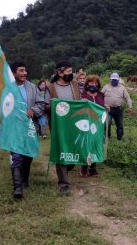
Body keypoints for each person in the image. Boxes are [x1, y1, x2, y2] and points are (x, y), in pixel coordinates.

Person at [9, 62, 46, 200]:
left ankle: (25, 179)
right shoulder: (8, 88)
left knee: (28, 155)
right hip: (14, 128)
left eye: (25, 70)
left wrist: (33, 110)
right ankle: (18, 188)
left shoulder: (32, 87)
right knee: (17, 156)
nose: (24, 73)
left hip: (30, 127)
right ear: (14, 73)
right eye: (21, 70)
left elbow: (41, 103)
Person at [45, 61, 81, 195]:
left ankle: (68, 167)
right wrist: (56, 105)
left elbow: (79, 101)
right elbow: (45, 106)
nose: (70, 74)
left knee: (72, 149)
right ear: (60, 73)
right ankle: (63, 183)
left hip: (74, 123)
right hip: (58, 124)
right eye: (68, 71)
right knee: (61, 150)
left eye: (71, 71)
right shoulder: (50, 87)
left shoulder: (75, 85)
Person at [80, 74, 105, 177]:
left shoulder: (101, 95)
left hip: (98, 124)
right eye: (91, 83)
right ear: (87, 84)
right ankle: (84, 167)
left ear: (98, 84)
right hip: (86, 123)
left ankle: (93, 168)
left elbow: (103, 107)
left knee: (95, 144)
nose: (93, 85)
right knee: (86, 144)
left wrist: (106, 107)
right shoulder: (83, 95)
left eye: (95, 83)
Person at [101, 73, 133, 140]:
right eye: (113, 80)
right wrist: (102, 105)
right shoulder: (106, 87)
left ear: (118, 80)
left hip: (118, 109)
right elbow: (100, 96)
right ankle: (107, 137)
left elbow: (127, 98)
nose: (114, 81)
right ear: (111, 79)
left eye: (115, 80)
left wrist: (130, 107)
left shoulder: (122, 88)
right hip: (108, 109)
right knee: (107, 123)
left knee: (119, 124)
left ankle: (119, 138)